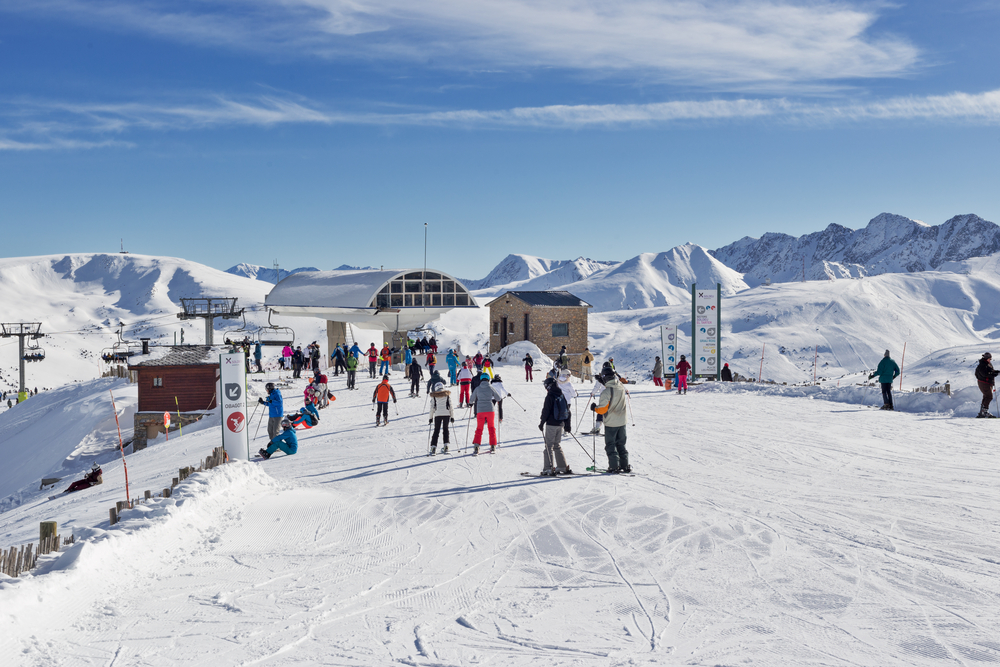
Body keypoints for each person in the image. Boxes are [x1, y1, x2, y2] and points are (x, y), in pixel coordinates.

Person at [591, 366, 630, 473]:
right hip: (622, 422)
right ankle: (624, 465)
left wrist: (594, 408)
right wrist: (601, 380)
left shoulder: (606, 392)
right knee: (621, 444)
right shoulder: (621, 386)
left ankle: (614, 466)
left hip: (611, 423)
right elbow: (613, 384)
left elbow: (602, 410)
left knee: (611, 445)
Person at [539, 377, 573, 475]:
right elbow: (568, 411)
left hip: (551, 424)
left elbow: (546, 411)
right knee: (557, 445)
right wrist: (567, 425)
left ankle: (548, 468)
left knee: (549, 446)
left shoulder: (550, 396)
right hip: (560, 424)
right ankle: (562, 466)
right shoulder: (561, 395)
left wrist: (541, 423)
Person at [471, 373, 498, 454]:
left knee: (479, 428)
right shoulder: (491, 388)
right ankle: (493, 445)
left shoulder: (477, 388)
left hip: (480, 411)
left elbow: (471, 399)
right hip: (490, 410)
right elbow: (498, 398)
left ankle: (476, 446)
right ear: (488, 379)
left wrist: (470, 403)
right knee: (491, 428)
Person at [427, 382, 454, 455]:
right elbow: (450, 406)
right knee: (446, 430)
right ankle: (446, 446)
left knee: (436, 430)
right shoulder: (447, 395)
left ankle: (433, 448)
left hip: (438, 415)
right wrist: (452, 417)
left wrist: (430, 418)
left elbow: (432, 407)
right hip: (446, 414)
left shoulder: (434, 396)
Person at [975, 352, 999, 418]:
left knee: (986, 396)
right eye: (989, 358)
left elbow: (990, 371)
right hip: (984, 383)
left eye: (990, 359)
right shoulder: (983, 364)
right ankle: (984, 412)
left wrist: (996, 372)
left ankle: (982, 412)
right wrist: (993, 374)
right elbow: (985, 374)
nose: (990, 360)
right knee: (989, 396)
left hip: (987, 383)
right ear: (986, 358)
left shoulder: (987, 364)